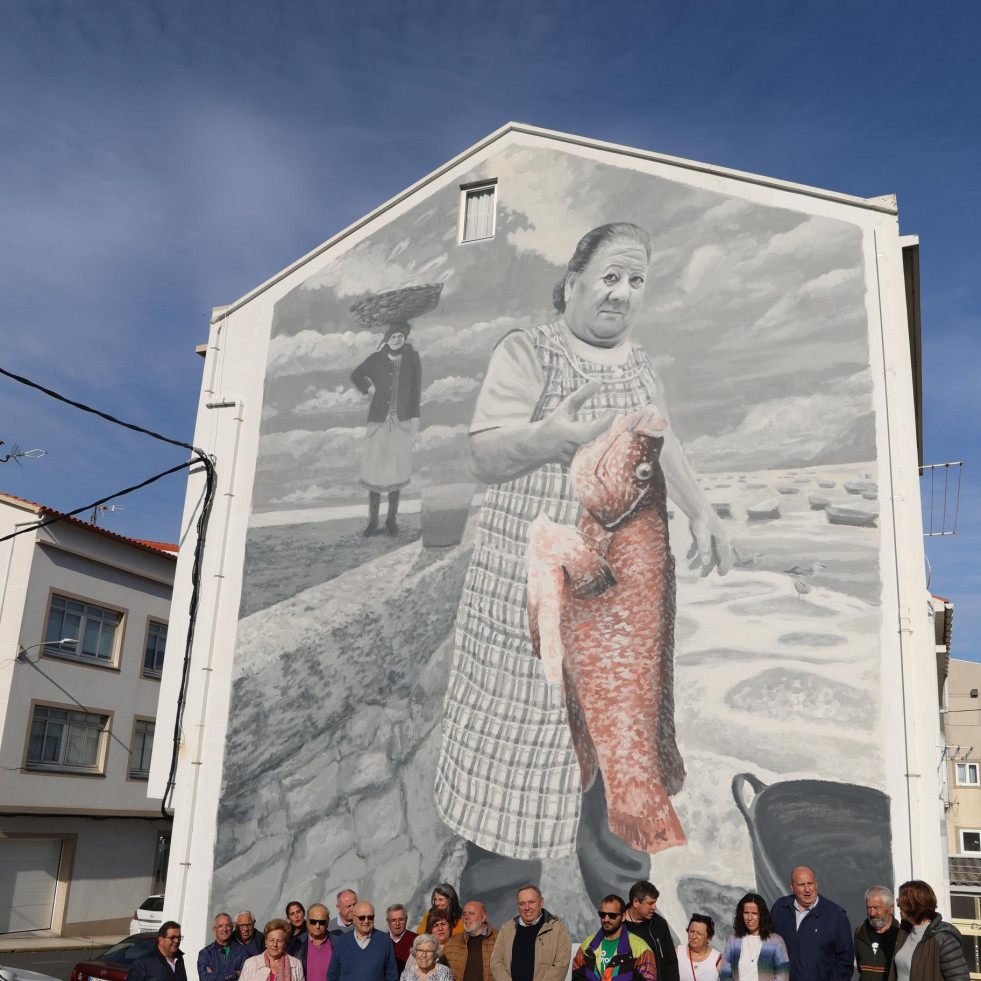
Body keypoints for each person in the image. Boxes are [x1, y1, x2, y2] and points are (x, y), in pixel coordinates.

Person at [435, 222, 730, 904]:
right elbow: (483, 451)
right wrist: (546, 438)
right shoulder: (526, 351)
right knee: (512, 756)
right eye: (609, 277)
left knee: (616, 741)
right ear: (571, 282)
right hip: (526, 598)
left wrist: (700, 509)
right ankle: (504, 928)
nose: (621, 293)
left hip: (614, 596)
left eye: (635, 281)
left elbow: (664, 442)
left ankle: (625, 923)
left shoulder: (638, 364)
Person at [350, 322, 422, 537]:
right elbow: (356, 375)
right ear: (387, 338)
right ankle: (372, 522)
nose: (397, 340)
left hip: (402, 421)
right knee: (374, 470)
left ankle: (391, 520)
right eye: (394, 336)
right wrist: (369, 389)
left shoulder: (412, 359)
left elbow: (416, 389)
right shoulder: (375, 360)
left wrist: (415, 418)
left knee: (396, 471)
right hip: (378, 421)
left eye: (401, 336)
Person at [770, 866, 853, 981]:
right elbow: (767, 947)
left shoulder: (835, 915)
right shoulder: (780, 908)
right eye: (801, 885)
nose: (807, 889)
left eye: (810, 883)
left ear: (816, 883)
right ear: (791, 887)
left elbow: (845, 962)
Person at [887, 880, 969, 981]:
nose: (898, 905)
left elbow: (960, 978)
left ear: (913, 904)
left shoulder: (943, 939)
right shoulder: (903, 934)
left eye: (900, 901)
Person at [489, 885, 571, 981]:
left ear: (541, 902)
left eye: (531, 902)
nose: (527, 908)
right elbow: (496, 961)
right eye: (522, 903)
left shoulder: (557, 929)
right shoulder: (507, 928)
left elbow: (561, 964)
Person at [571, 894, 657, 981]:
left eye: (612, 915)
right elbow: (577, 976)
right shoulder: (588, 945)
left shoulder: (640, 948)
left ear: (623, 917)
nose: (606, 919)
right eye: (602, 914)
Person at [719, 893, 789, 981]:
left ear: (762, 915)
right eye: (746, 913)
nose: (749, 918)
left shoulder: (776, 942)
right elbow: (725, 973)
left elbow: (783, 975)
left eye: (754, 913)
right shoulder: (733, 941)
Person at [327, 902, 399, 981]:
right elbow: (333, 975)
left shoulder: (385, 941)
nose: (366, 921)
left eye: (370, 917)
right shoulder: (341, 942)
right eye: (362, 918)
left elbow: (392, 975)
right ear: (354, 919)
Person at [624, 880, 680, 981]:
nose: (654, 907)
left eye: (655, 903)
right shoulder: (618, 923)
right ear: (636, 902)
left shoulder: (659, 924)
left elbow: (670, 962)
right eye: (650, 903)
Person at [443, 902, 498, 981]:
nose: (466, 917)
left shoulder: (500, 939)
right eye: (464, 914)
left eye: (471, 913)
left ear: (483, 917)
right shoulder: (451, 943)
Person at [855, 887, 900, 981]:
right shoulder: (860, 933)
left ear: (890, 909)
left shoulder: (901, 936)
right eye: (869, 908)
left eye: (876, 907)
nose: (872, 913)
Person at [199, 913, 248, 981]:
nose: (224, 929)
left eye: (227, 925)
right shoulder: (205, 953)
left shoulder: (242, 951)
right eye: (220, 926)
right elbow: (204, 978)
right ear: (214, 930)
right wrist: (235, 974)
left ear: (232, 928)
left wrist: (214, 974)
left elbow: (246, 977)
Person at [295, 904, 334, 981]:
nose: (317, 926)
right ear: (307, 920)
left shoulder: (338, 943)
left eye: (322, 922)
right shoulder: (296, 944)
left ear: (328, 921)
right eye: (313, 921)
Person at [677, 915, 721, 981]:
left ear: (709, 938)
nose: (694, 936)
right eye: (691, 931)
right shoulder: (677, 952)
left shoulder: (718, 960)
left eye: (699, 933)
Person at [387, 904, 417, 973]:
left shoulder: (417, 940)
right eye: (394, 920)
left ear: (406, 920)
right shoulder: (382, 941)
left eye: (401, 919)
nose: (397, 923)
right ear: (388, 922)